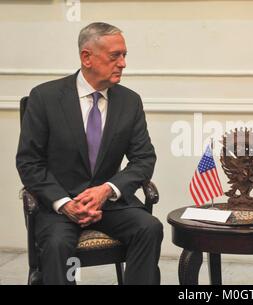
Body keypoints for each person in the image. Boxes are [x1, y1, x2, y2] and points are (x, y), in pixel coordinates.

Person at [16, 22, 163, 285]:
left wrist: (107, 189)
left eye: (124, 55)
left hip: (110, 204)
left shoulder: (130, 101)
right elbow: (29, 162)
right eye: (115, 56)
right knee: (57, 244)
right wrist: (64, 203)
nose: (123, 63)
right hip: (59, 206)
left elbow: (143, 159)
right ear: (87, 57)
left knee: (149, 228)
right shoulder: (44, 98)